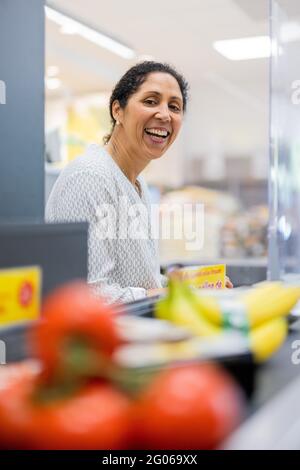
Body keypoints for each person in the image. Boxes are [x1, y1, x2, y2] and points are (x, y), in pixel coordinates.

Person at [46, 61, 232, 303]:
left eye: (174, 107)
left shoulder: (138, 184)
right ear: (117, 110)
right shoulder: (90, 177)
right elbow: (91, 295)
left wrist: (195, 284)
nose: (165, 115)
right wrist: (175, 295)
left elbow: (141, 282)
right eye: (150, 101)